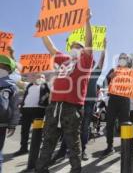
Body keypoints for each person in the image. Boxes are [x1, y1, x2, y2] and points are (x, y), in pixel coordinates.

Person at [35, 9, 93, 173]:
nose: (74, 47)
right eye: (73, 45)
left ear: (82, 50)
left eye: (78, 46)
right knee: (48, 140)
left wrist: (87, 21)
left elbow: (89, 42)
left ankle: (76, 169)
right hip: (54, 106)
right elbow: (51, 48)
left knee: (73, 142)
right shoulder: (64, 60)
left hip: (72, 107)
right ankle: (41, 169)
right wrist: (43, 31)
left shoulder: (86, 61)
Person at [52, 42, 106, 162]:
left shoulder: (94, 73)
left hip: (88, 104)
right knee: (70, 127)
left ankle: (83, 150)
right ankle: (62, 151)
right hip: (75, 102)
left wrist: (103, 50)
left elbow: (101, 62)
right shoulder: (74, 68)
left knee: (85, 127)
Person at [102, 53, 131, 157]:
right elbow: (104, 83)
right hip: (113, 100)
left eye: (124, 58)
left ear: (127, 60)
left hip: (125, 100)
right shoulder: (113, 70)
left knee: (125, 124)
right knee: (109, 124)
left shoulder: (131, 72)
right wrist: (110, 77)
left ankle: (125, 147)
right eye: (121, 58)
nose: (122, 60)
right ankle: (110, 146)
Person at [13, 73, 50, 156]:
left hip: (39, 111)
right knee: (24, 130)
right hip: (26, 110)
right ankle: (23, 148)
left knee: (37, 131)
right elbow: (18, 82)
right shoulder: (28, 85)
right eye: (38, 76)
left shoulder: (45, 86)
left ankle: (36, 149)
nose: (40, 77)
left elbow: (49, 93)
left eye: (42, 77)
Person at [0, 55, 19, 173]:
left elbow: (15, 107)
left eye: (3, 67)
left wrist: (12, 124)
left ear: (9, 70)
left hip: (1, 124)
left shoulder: (11, 87)